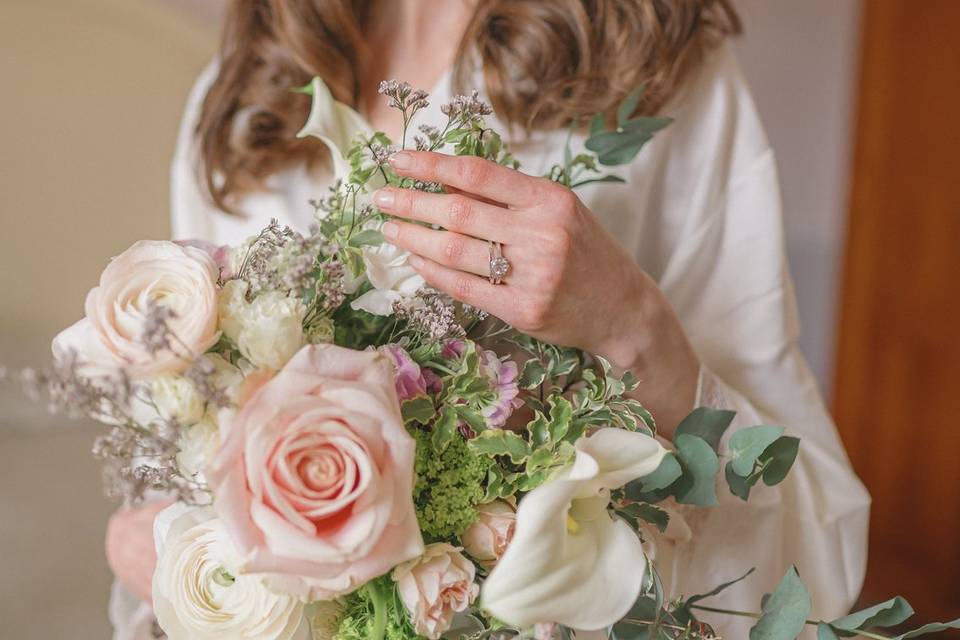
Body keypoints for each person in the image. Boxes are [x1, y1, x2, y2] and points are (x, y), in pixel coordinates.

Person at [107, 1, 871, 637]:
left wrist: (629, 321)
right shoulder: (246, 92)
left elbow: (810, 548)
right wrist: (166, 555)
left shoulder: (659, 63)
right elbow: (193, 433)